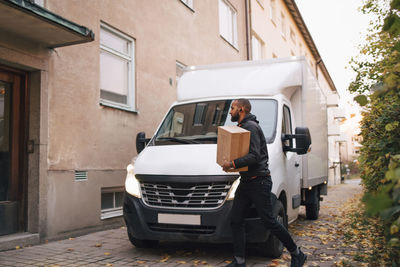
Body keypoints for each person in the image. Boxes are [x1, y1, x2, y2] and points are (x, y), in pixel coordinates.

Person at [222, 99, 307, 267]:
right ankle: (239, 261)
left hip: (259, 182)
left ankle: (297, 254)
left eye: (232, 108)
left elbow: (254, 157)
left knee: (269, 221)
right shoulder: (242, 128)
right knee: (236, 219)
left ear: (242, 109)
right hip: (246, 182)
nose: (230, 111)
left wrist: (232, 164)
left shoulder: (251, 128)